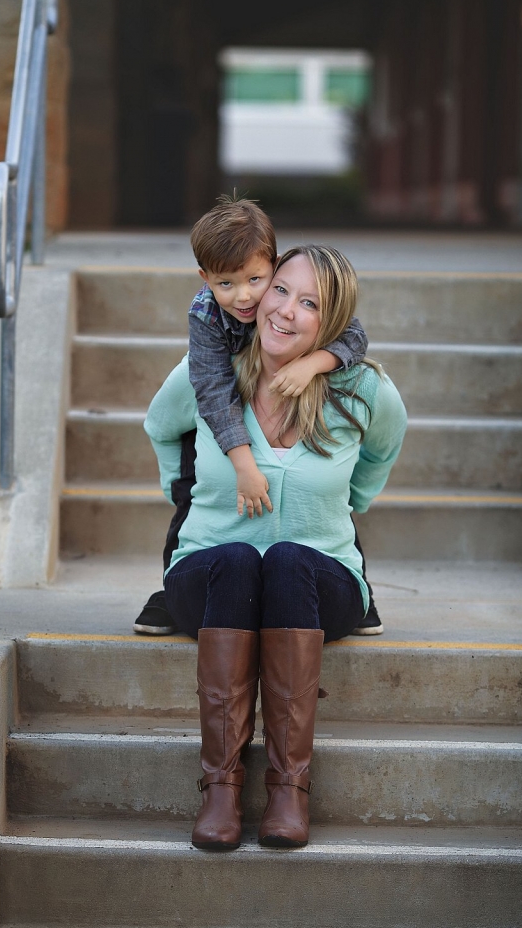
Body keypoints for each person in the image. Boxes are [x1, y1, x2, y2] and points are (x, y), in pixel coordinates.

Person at [144, 245, 407, 851]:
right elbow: (160, 427)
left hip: (320, 580)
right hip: (209, 575)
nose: (285, 311)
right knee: (239, 561)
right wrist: (183, 494)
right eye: (280, 291)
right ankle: (221, 787)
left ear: (332, 321)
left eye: (309, 302)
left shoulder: (363, 388)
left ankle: (289, 788)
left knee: (287, 560)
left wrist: (349, 504)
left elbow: (382, 450)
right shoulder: (208, 374)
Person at [134, 196, 385, 638]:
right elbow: (209, 394)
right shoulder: (208, 318)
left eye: (257, 280)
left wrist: (315, 363)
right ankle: (171, 594)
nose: (246, 297)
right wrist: (184, 484)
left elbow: (355, 338)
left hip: (310, 539)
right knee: (195, 509)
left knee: (324, 502)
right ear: (206, 280)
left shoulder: (310, 325)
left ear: (273, 264)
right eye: (227, 283)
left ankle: (354, 587)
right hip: (220, 423)